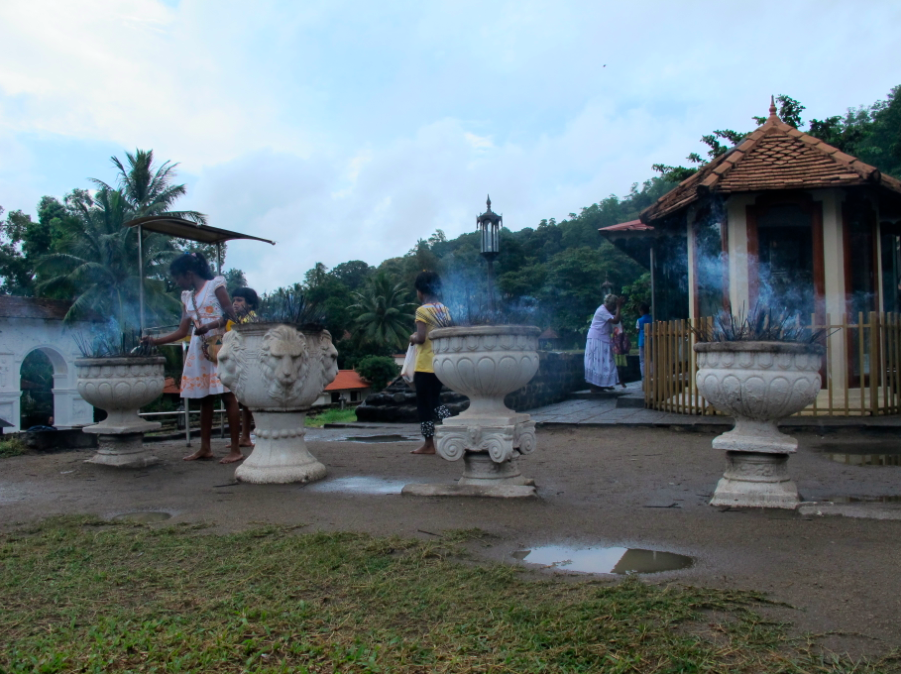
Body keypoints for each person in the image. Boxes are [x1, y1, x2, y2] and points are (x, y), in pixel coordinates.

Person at [143, 252, 244, 463]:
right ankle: (205, 448)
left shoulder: (215, 286)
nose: (177, 282)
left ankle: (235, 449)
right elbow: (182, 331)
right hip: (199, 348)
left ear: (189, 274)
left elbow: (230, 316)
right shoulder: (187, 298)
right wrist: (155, 341)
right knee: (205, 397)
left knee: (227, 395)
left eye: (178, 277)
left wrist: (210, 325)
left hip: (218, 344)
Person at [408, 270, 453, 455]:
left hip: (425, 364)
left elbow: (420, 337)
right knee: (435, 399)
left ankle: (429, 444)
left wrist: (411, 337)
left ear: (421, 290)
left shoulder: (422, 310)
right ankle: (452, 427)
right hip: (441, 363)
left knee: (424, 404)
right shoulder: (444, 309)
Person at [230, 287, 259, 448]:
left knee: (246, 403)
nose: (235, 303)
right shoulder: (237, 320)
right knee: (244, 403)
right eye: (234, 300)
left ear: (250, 304)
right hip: (241, 362)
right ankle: (244, 436)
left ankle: (245, 436)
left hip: (248, 363)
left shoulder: (251, 321)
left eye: (239, 300)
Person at [585, 293, 624, 391]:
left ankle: (603, 384)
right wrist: (619, 307)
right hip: (597, 339)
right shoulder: (602, 310)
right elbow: (615, 320)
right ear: (611, 305)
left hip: (601, 338)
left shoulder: (604, 310)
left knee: (605, 362)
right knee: (599, 363)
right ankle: (596, 385)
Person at [636, 302, 653, 379]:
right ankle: (652, 376)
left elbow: (637, 330)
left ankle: (644, 378)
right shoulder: (652, 319)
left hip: (642, 342)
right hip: (651, 341)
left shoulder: (639, 320)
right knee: (651, 360)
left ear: (642, 311)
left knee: (642, 361)